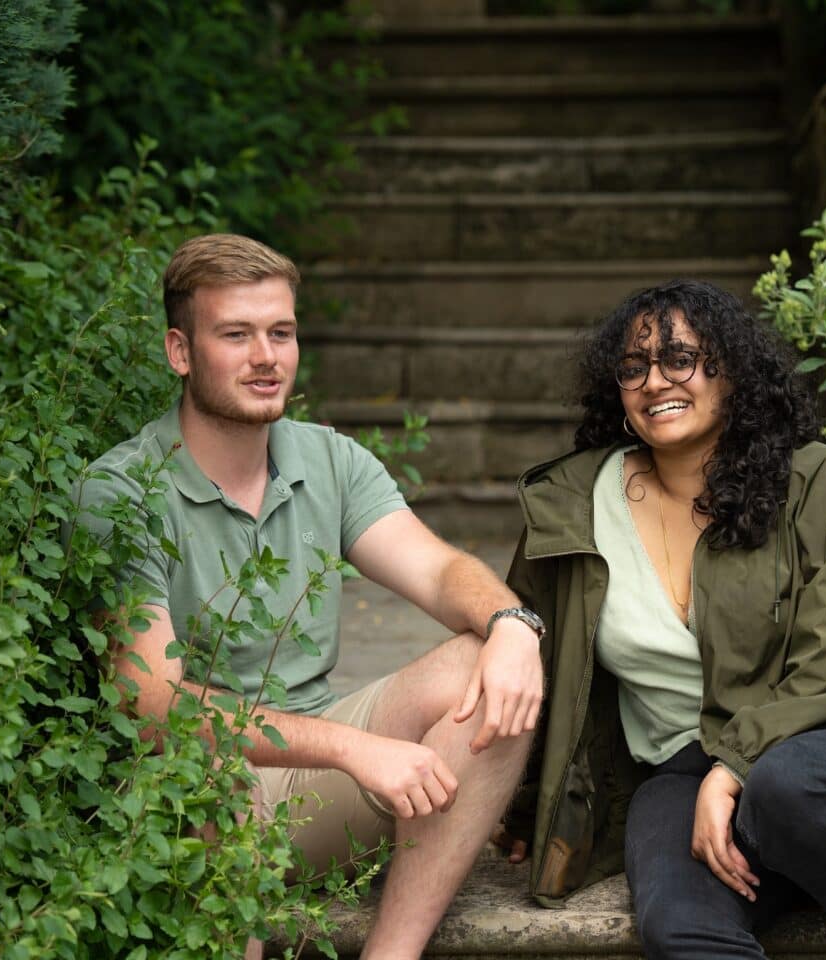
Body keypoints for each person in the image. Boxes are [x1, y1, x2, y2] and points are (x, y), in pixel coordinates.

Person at [74, 233, 543, 960]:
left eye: (281, 333)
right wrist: (356, 747)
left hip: (310, 796)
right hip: (182, 796)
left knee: (484, 665)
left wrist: (513, 624)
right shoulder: (122, 490)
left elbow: (441, 571)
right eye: (236, 334)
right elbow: (152, 706)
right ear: (180, 350)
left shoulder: (328, 458)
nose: (266, 356)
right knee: (212, 779)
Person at [500, 279, 826, 959]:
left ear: (733, 371)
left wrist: (734, 768)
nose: (655, 380)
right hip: (681, 776)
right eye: (634, 368)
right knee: (677, 923)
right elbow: (539, 660)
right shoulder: (574, 507)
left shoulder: (817, 483)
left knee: (787, 782)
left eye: (680, 358)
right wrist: (525, 803)